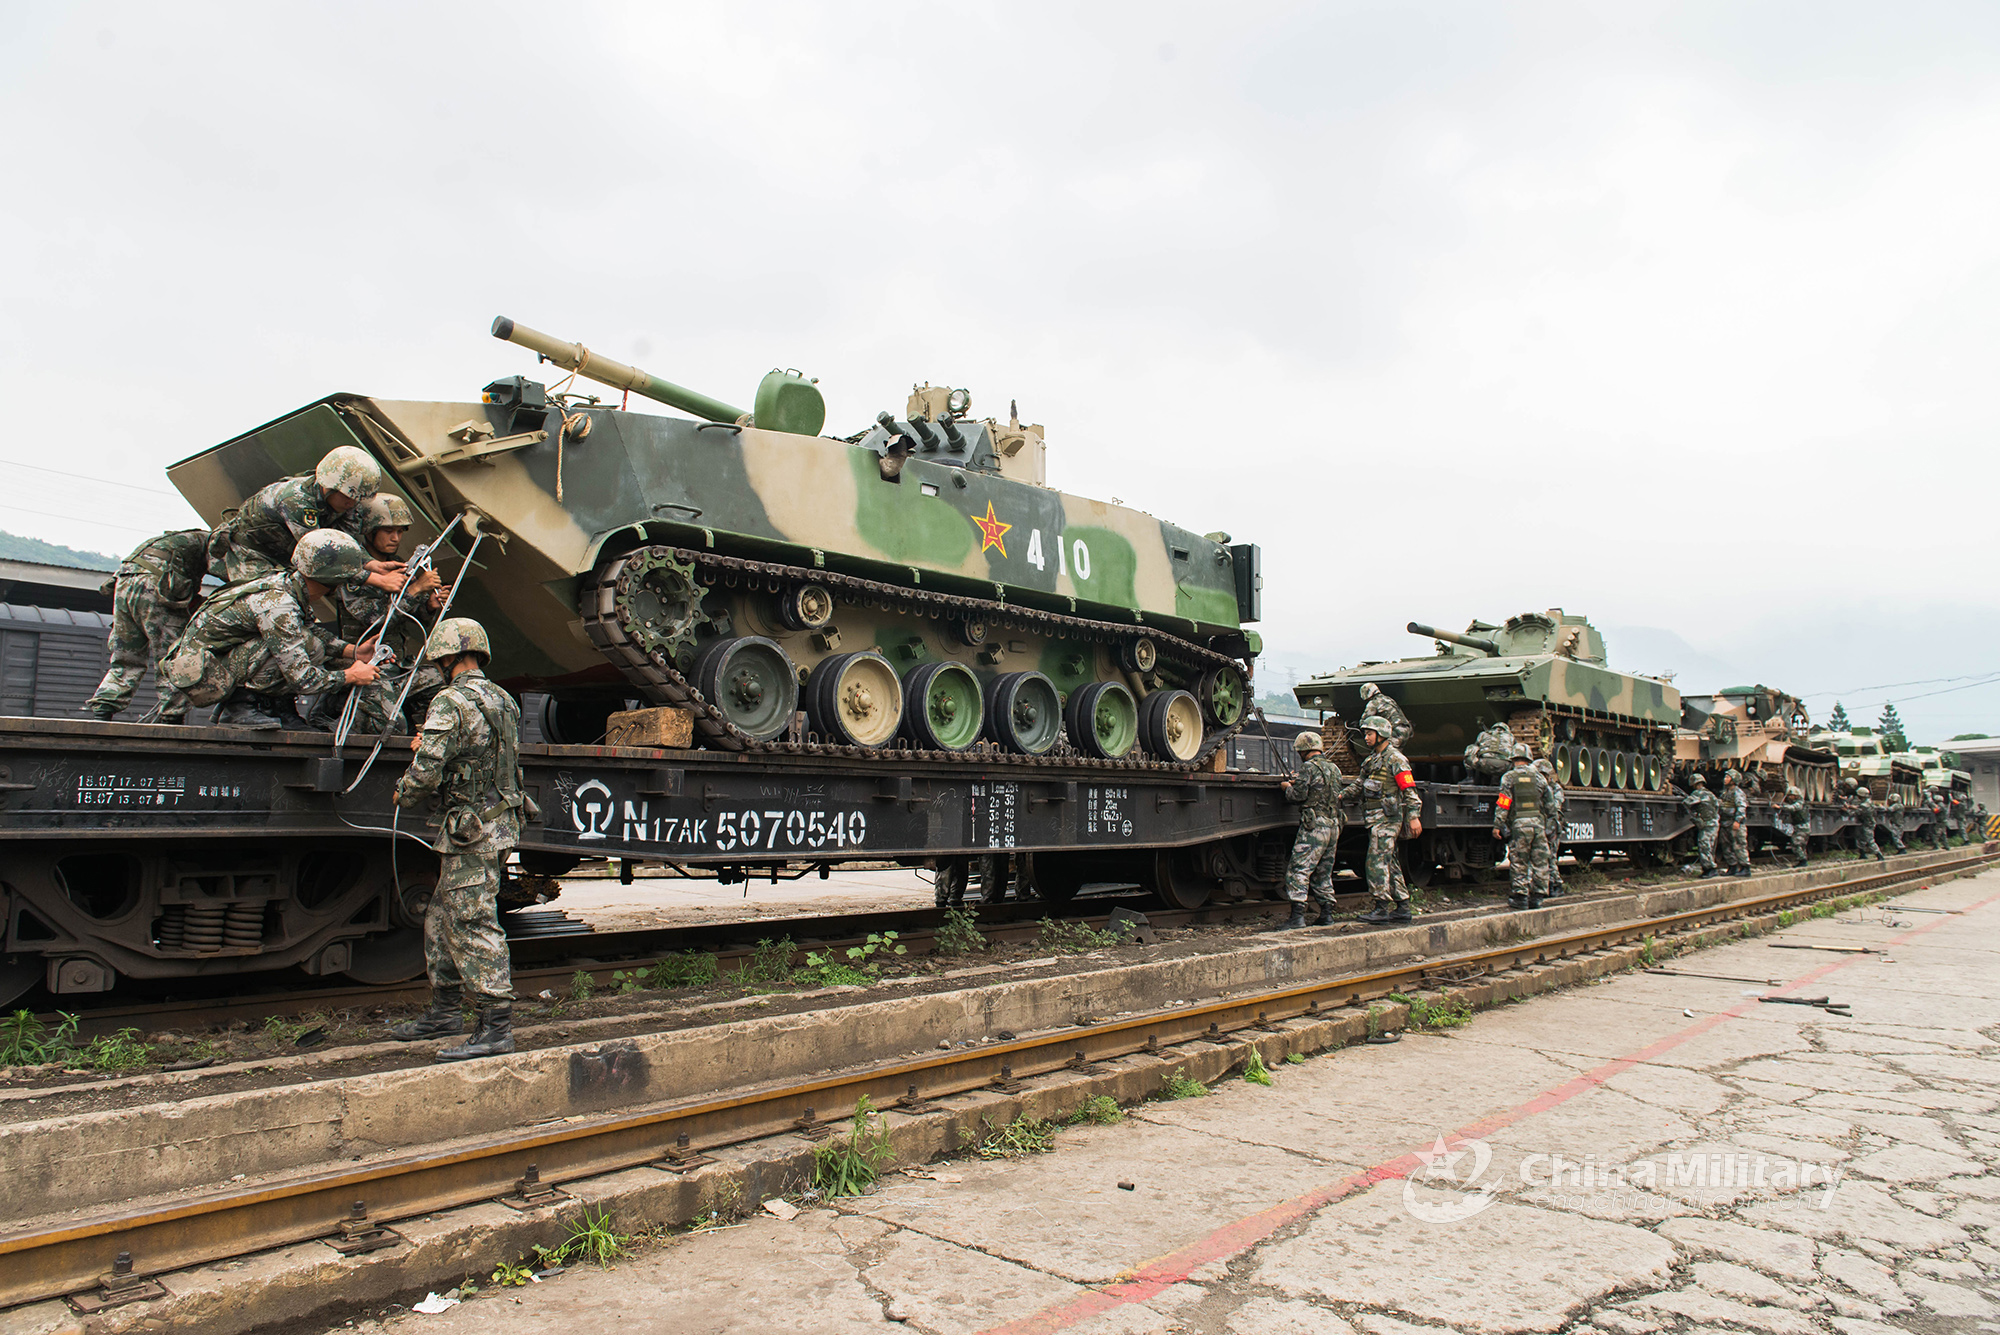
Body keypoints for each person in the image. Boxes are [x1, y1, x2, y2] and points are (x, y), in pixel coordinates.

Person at [389, 618, 529, 1060]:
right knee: (442, 914)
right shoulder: (503, 698)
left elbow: (427, 770)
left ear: (447, 657)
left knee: (471, 920)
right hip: (499, 823)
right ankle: (445, 1011)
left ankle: (496, 1026)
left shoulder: (449, 701)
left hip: (473, 830)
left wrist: (403, 791)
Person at [159, 530, 382, 728]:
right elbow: (302, 678)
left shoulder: (290, 586)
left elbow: (313, 631)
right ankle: (239, 707)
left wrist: (354, 651)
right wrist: (349, 676)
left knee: (307, 640)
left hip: (215, 662)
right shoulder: (278, 604)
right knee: (303, 646)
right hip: (202, 674)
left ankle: (278, 707)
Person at [323, 493, 446, 732]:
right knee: (394, 727)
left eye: (400, 531)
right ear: (369, 531)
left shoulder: (399, 564)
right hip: (367, 665)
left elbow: (410, 618)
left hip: (396, 667)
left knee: (441, 681)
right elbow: (374, 621)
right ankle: (343, 717)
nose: (395, 537)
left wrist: (429, 605)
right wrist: (416, 589)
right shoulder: (356, 573)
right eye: (388, 531)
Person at [206, 445, 406, 592]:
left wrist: (373, 565)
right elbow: (322, 556)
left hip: (285, 553)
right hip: (253, 553)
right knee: (264, 601)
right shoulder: (296, 501)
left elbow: (343, 543)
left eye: (356, 499)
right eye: (347, 498)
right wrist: (378, 580)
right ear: (329, 486)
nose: (352, 504)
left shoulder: (349, 496)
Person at [83, 528, 209, 723]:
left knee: (126, 656)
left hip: (125, 582)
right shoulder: (215, 541)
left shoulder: (174, 540)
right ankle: (171, 716)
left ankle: (103, 709)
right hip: (154, 584)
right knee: (172, 656)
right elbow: (234, 576)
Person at [1277, 731, 1353, 929]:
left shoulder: (1308, 768)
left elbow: (1299, 796)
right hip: (1333, 825)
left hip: (1315, 827)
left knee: (1298, 869)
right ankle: (1326, 914)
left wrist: (1287, 787)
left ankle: (1297, 917)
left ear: (1304, 751)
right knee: (1323, 871)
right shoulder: (1334, 768)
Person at [1356, 713, 1421, 923]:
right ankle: (1402, 906)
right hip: (1375, 818)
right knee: (1390, 862)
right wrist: (1341, 794)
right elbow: (1360, 784)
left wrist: (1413, 817)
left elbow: (1409, 790)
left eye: (1369, 734)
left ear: (1382, 734)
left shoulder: (1396, 759)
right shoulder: (1371, 761)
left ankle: (1381, 908)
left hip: (1387, 819)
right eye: (1365, 734)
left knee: (1376, 862)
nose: (1366, 738)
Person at [1493, 746, 1553, 908]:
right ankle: (1538, 896)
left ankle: (1520, 897)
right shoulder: (1540, 778)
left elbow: (1504, 803)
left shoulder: (1509, 778)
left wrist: (1498, 825)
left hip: (1520, 825)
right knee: (1540, 860)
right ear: (1529, 759)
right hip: (1538, 825)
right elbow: (1549, 804)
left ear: (1513, 759)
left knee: (1519, 860)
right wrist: (1550, 824)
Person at [1535, 757, 1568, 894]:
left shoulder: (1555, 789)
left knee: (1550, 856)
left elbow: (1554, 808)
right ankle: (1545, 884)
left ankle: (1556, 884)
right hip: (1541, 823)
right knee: (1542, 857)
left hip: (1551, 825)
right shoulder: (1540, 786)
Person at [1680, 773, 1720, 878]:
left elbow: (1686, 803)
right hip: (1714, 823)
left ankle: (1710, 869)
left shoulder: (1698, 794)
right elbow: (1717, 806)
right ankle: (1710, 868)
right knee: (1711, 847)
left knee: (1704, 847)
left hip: (1706, 824)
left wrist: (1695, 816)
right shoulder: (1710, 794)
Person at [1359, 682, 1413, 749]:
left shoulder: (1374, 703)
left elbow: (1364, 721)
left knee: (1386, 751)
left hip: (1395, 731)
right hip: (1405, 729)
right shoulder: (1388, 699)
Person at [1461, 720, 1515, 786]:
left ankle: (1470, 778)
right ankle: (1506, 779)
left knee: (1471, 747)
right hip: (1505, 766)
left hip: (1485, 764)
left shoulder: (1483, 734)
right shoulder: (1511, 736)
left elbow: (1476, 747)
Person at [1846, 784, 1885, 863]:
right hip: (1868, 823)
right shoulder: (1868, 802)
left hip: (1867, 824)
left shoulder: (1864, 805)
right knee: (1861, 839)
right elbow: (1859, 807)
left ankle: (1879, 854)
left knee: (1869, 840)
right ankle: (1862, 854)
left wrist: (1847, 809)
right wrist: (1852, 807)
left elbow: (1857, 812)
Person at [1773, 785, 1810, 867]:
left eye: (1791, 795)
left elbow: (1793, 808)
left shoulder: (1800, 803)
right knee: (1801, 845)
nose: (1789, 797)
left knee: (1796, 843)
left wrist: (1780, 807)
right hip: (1800, 827)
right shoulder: (1798, 802)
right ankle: (1802, 861)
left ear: (1796, 796)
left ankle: (1803, 861)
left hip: (1802, 827)